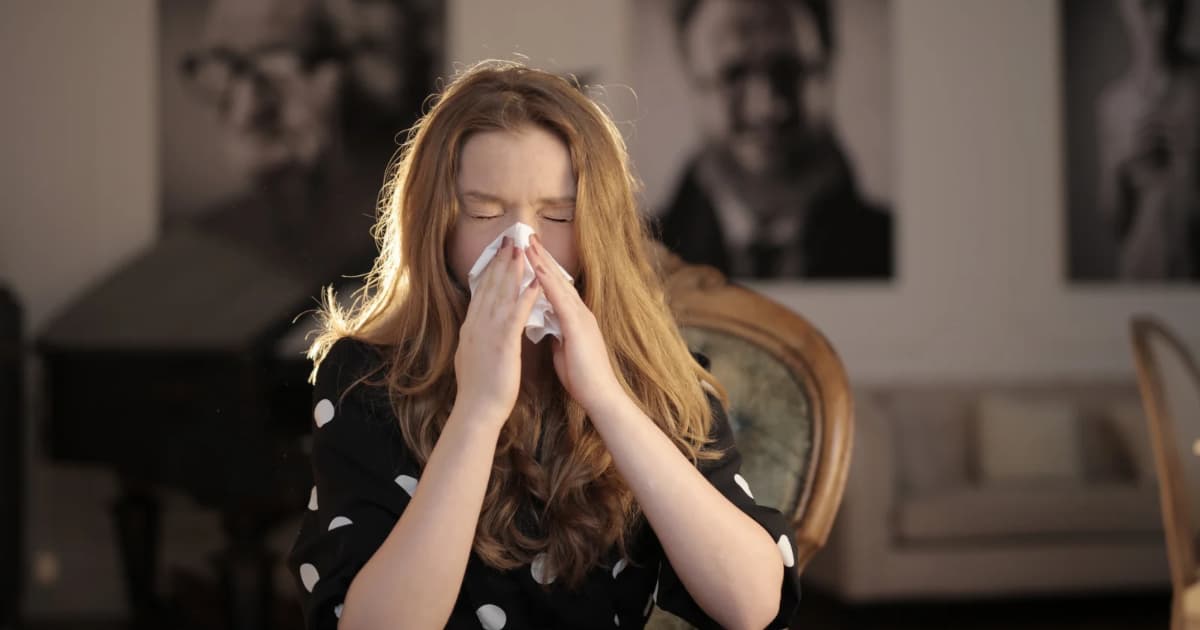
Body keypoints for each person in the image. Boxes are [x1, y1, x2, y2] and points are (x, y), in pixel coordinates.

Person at [285, 61, 803, 629]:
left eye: (558, 214)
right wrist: (478, 412)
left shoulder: (654, 377)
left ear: (595, 230)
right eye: (483, 211)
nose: (521, 243)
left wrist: (606, 397)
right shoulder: (363, 380)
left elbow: (753, 607)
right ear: (437, 224)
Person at [658, 0, 893, 279]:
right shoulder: (635, 255)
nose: (766, 108)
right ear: (691, 79)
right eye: (734, 74)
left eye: (788, 69)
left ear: (828, 69)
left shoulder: (888, 246)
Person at [177, 0, 382, 281]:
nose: (244, 113)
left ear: (342, 75)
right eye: (224, 70)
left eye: (272, 70)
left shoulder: (400, 232)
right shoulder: (210, 247)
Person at [1097, 0, 1200, 280]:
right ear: (1125, 9)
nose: (1161, 21)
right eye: (1148, 7)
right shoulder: (1113, 103)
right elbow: (1114, 223)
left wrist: (1187, 162)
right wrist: (1121, 165)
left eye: (1170, 6)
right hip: (1139, 273)